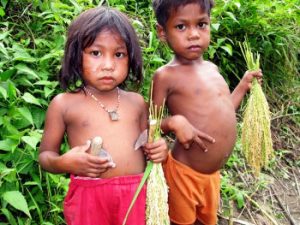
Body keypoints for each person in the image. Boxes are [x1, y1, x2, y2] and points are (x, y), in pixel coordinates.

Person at [39, 6, 168, 225]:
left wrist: (159, 150)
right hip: (89, 199)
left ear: (131, 58)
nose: (108, 65)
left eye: (119, 54)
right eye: (96, 53)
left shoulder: (136, 103)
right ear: (76, 55)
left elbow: (149, 146)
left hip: (136, 196)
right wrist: (64, 162)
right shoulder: (64, 105)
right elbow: (45, 157)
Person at [151, 0, 263, 225]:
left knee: (205, 221)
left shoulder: (212, 69)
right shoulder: (165, 76)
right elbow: (150, 123)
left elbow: (225, 111)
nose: (193, 34)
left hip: (212, 176)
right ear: (162, 32)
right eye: (181, 27)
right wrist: (173, 122)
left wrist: (243, 86)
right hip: (185, 174)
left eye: (201, 24)